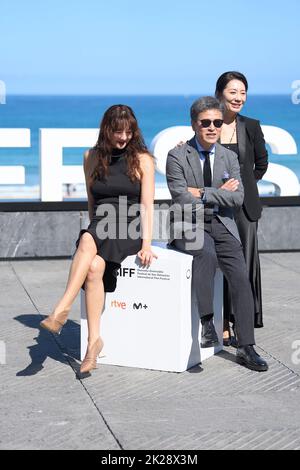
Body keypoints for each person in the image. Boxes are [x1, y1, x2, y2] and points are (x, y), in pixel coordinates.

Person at [40, 105, 157, 374]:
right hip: (101, 223)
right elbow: (92, 201)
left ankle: (62, 308)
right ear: (107, 130)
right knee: (93, 266)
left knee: (87, 241)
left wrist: (147, 244)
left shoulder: (142, 160)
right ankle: (94, 343)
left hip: (129, 226)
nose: (124, 137)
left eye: (129, 132)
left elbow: (147, 206)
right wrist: (96, 227)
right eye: (118, 131)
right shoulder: (91, 157)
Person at [166, 96, 268, 372]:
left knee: (240, 276)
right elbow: (181, 197)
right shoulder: (177, 155)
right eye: (206, 122)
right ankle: (208, 322)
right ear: (194, 124)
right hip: (188, 225)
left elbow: (237, 199)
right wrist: (220, 193)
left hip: (223, 225)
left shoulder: (229, 157)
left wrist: (203, 193)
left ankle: (246, 346)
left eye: (217, 122)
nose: (212, 127)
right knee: (206, 254)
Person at [215, 71, 268, 345]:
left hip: (245, 209)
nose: (239, 98)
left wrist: (245, 186)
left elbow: (261, 163)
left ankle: (239, 320)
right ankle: (221, 319)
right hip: (216, 208)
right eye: (233, 92)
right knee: (221, 264)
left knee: (244, 265)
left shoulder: (252, 126)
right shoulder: (209, 124)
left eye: (243, 92)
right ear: (219, 94)